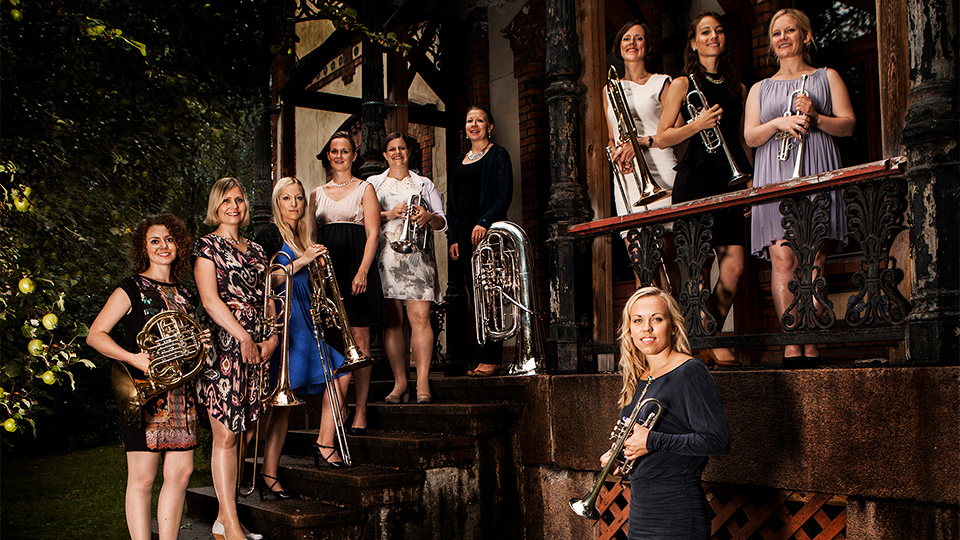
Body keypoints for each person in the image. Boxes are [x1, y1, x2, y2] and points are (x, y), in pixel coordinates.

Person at [744, 8, 855, 366]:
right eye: (776, 33)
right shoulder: (760, 88)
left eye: (790, 30)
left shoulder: (827, 77)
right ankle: (793, 342)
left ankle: (813, 342)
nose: (783, 38)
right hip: (775, 175)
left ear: (805, 36)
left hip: (817, 169)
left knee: (814, 256)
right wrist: (780, 121)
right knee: (783, 257)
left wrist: (817, 117)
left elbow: (848, 126)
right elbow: (750, 136)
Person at [87, 215, 202, 540]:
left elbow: (186, 344)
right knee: (142, 479)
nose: (163, 246)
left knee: (180, 475)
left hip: (182, 396)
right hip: (145, 394)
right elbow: (96, 335)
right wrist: (133, 357)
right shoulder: (131, 288)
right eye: (155, 240)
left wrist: (199, 343)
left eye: (169, 239)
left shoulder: (186, 294)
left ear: (178, 245)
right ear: (143, 248)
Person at [656, 11, 752, 365]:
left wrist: (749, 181)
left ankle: (698, 336)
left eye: (719, 31)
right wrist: (696, 125)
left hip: (728, 178)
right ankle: (711, 341)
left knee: (734, 266)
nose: (714, 37)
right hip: (695, 179)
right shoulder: (682, 84)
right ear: (694, 43)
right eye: (706, 32)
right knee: (696, 265)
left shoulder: (737, 88)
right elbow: (664, 137)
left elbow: (739, 140)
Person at [600, 286, 729, 539]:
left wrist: (651, 441)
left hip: (677, 508)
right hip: (640, 506)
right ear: (630, 330)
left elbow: (717, 440)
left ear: (672, 325)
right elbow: (639, 438)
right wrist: (620, 452)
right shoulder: (638, 377)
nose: (646, 328)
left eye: (656, 319)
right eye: (638, 320)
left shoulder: (690, 371)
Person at [194, 177, 277, 540]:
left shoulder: (258, 250)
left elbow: (268, 298)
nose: (234, 206)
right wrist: (243, 336)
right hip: (224, 345)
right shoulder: (205, 246)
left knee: (244, 432)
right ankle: (230, 523)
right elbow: (211, 301)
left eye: (240, 200)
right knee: (226, 435)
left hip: (258, 345)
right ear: (216, 206)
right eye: (226, 200)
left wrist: (273, 335)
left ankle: (223, 517)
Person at [255, 177, 352, 484]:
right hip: (285, 325)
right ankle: (268, 473)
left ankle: (325, 443)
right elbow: (266, 281)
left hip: (307, 322)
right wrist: (304, 261)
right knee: (282, 406)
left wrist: (318, 268)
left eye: (298, 198)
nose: (294, 203)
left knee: (342, 372)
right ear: (277, 203)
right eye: (287, 198)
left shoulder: (303, 238)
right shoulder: (269, 235)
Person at [309, 131, 385, 435]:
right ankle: (337, 405)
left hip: (357, 267)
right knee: (333, 342)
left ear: (354, 156)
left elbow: (373, 234)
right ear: (328, 156)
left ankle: (360, 409)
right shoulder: (316, 193)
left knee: (361, 341)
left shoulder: (365, 189)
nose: (339, 155)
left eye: (345, 151)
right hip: (329, 272)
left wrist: (363, 271)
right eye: (334, 151)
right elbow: (312, 237)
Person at [368, 132, 447, 403]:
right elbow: (361, 215)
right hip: (387, 258)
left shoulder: (423, 183)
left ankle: (422, 381)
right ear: (385, 154)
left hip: (418, 258)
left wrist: (428, 217)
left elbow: (442, 221)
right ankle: (400, 383)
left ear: (408, 151)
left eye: (402, 148)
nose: (397, 152)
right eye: (392, 149)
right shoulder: (374, 183)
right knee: (394, 323)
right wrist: (389, 214)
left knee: (420, 319)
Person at [605, 20, 679, 290]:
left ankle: (674, 320)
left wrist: (640, 144)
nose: (632, 43)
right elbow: (613, 136)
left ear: (647, 46)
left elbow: (678, 127)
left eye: (638, 38)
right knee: (640, 260)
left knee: (666, 258)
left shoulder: (662, 83)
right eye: (626, 38)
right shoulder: (609, 89)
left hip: (660, 167)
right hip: (628, 176)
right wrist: (616, 154)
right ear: (619, 46)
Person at [446, 105, 513, 377]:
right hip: (463, 234)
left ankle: (492, 358)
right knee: (473, 295)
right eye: (469, 120)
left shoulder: (498, 155)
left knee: (490, 292)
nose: (474, 125)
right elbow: (452, 202)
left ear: (490, 126)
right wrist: (453, 236)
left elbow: (504, 195)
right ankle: (479, 355)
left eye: (480, 120)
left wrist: (484, 222)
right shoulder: (459, 160)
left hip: (489, 231)